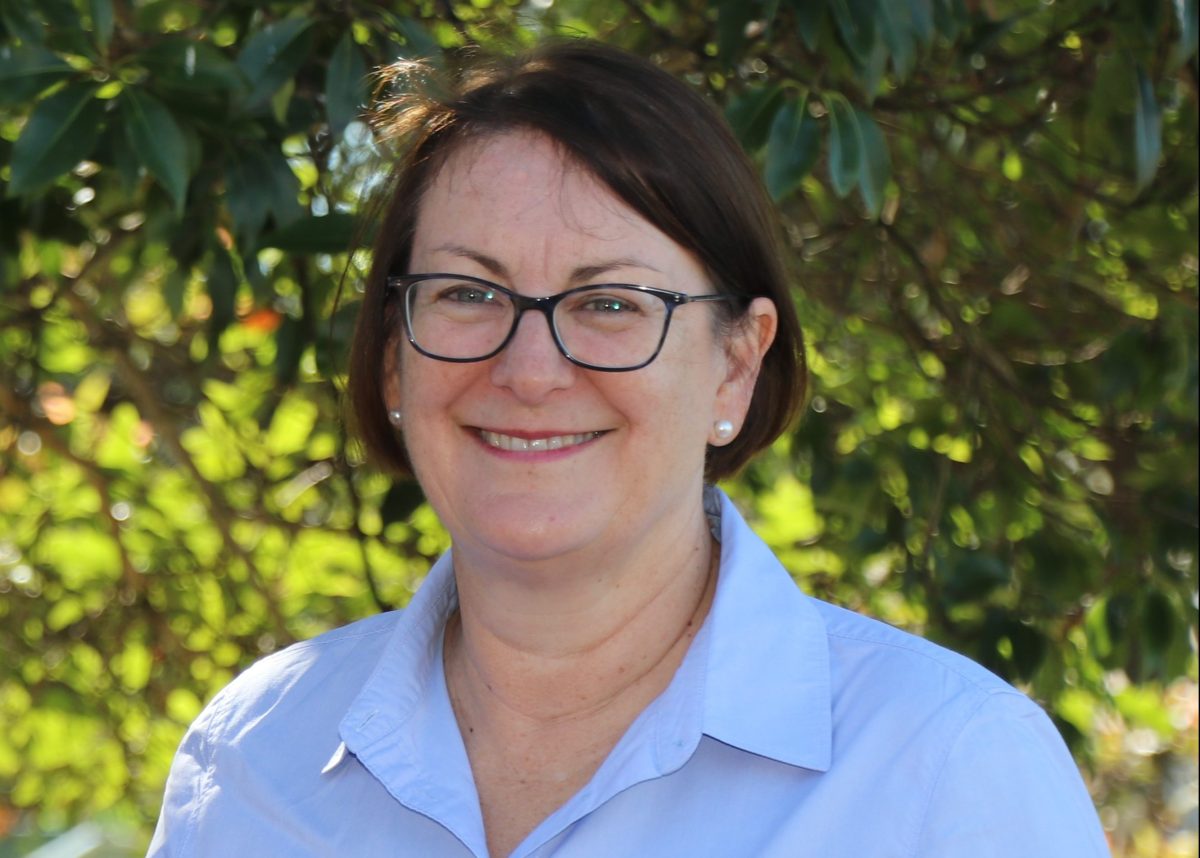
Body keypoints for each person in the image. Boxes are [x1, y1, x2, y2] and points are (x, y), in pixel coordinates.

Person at [148, 40, 1110, 858]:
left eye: (610, 304)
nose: (529, 369)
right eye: (468, 293)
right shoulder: (254, 761)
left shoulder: (946, 775)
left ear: (738, 364)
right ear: (394, 356)